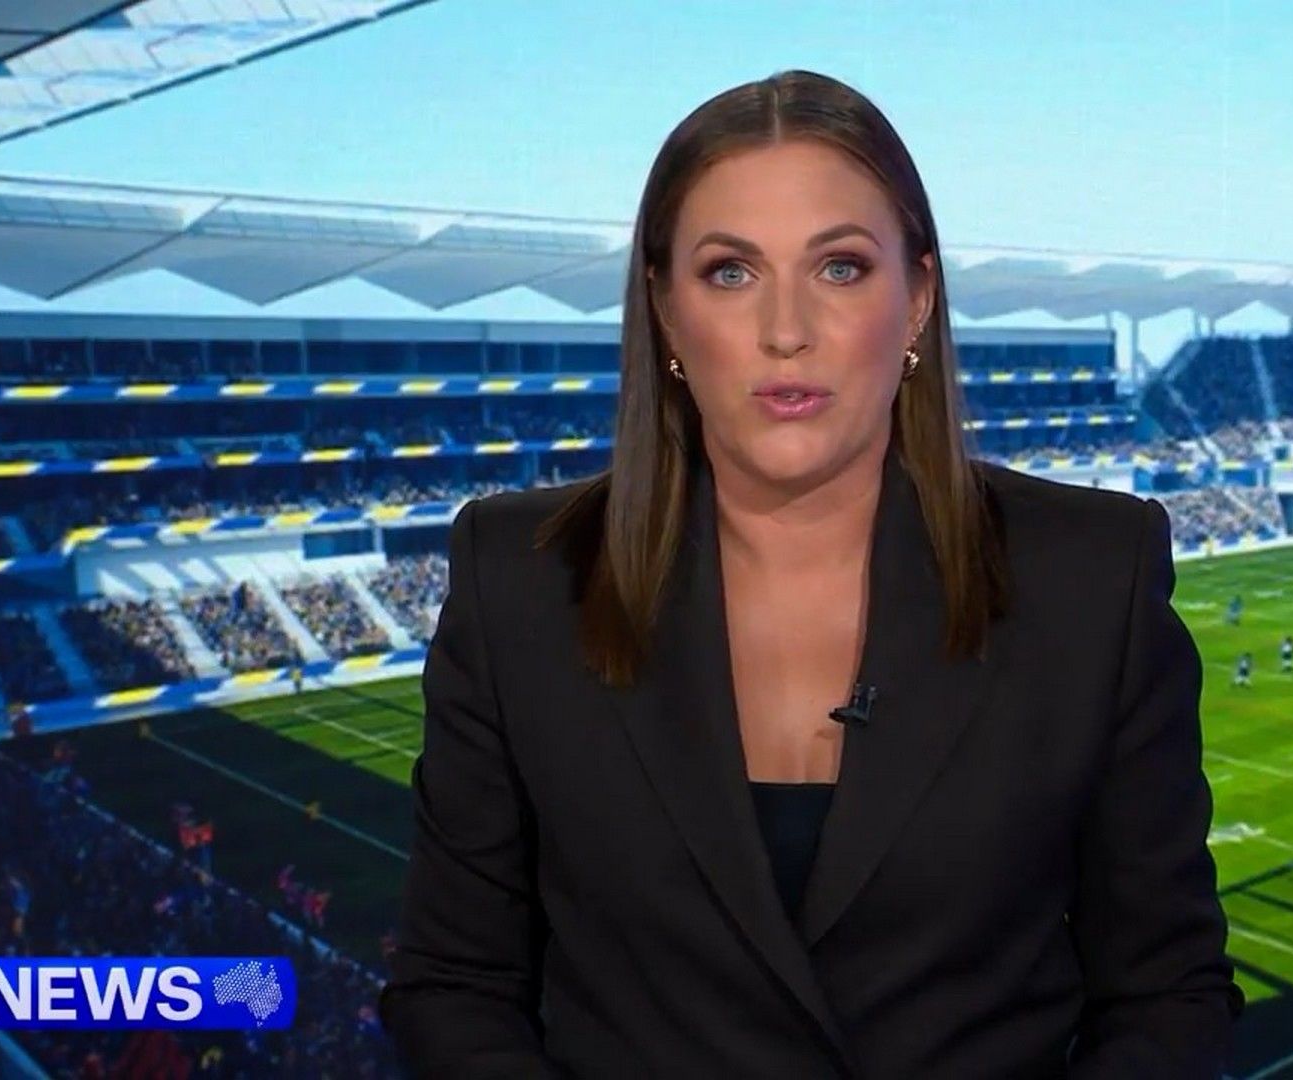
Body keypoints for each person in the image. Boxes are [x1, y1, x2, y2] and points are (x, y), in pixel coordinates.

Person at [380, 70, 1242, 1077]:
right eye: (729, 272)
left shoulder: (1090, 574)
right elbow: (455, 987)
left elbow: (1167, 994)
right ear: (663, 309)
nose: (785, 330)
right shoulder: (519, 580)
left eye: (839, 267)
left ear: (918, 299)